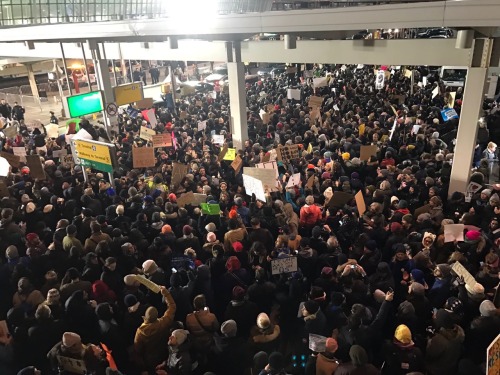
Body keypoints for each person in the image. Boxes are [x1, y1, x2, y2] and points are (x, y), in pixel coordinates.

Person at [133, 286, 176, 373]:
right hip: (164, 351)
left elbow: (137, 349)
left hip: (150, 357)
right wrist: (166, 293)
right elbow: (172, 306)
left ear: (145, 317)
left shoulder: (140, 332)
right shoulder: (164, 322)